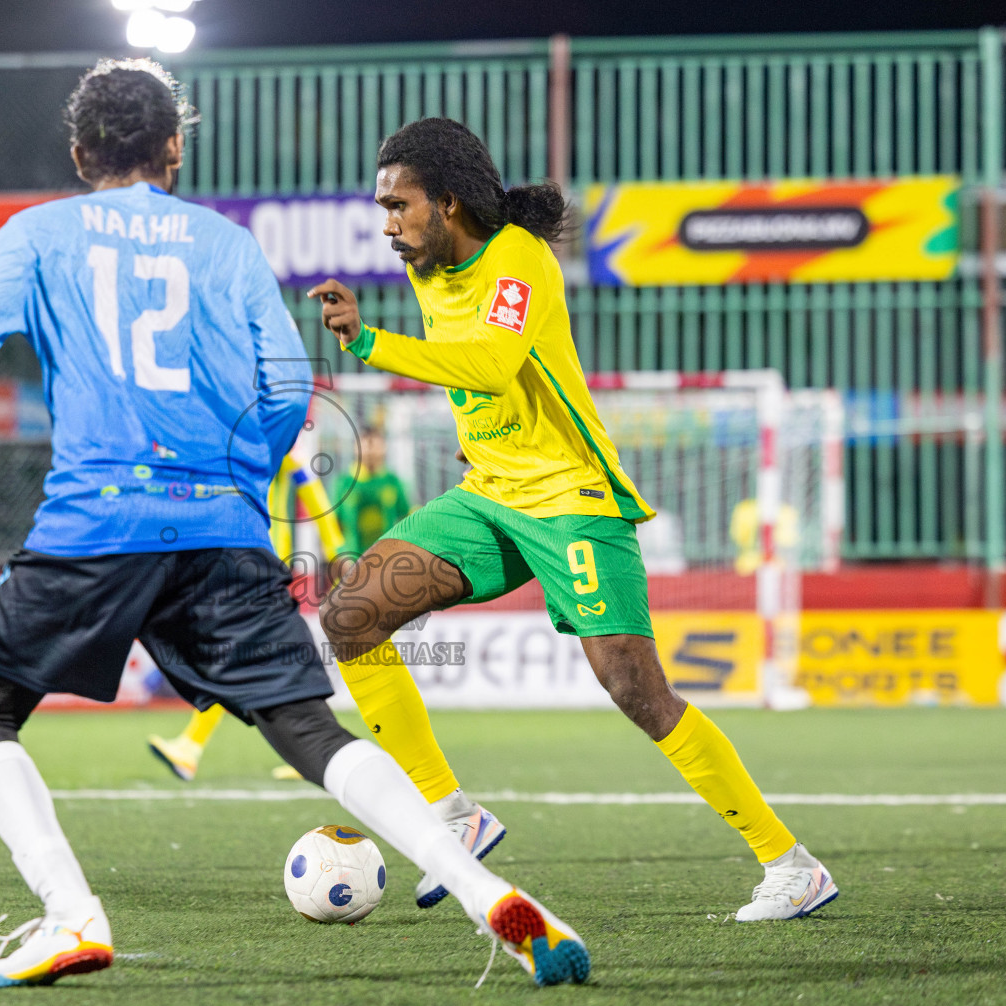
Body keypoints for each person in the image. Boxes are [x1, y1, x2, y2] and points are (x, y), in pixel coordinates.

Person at [0, 61, 589, 989]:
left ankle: (70, 916)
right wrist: (233, 486)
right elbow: (288, 390)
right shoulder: (224, 243)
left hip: (94, 523)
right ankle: (478, 887)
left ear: (77, 151)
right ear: (175, 148)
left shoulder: (35, 236)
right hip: (220, 529)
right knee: (310, 729)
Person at [309, 117, 838, 922]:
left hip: (571, 499)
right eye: (382, 207)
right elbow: (478, 383)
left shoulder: (520, 257)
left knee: (634, 686)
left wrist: (373, 343)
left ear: (448, 203)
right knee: (350, 613)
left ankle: (790, 863)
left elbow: (490, 364)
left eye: (399, 206)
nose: (387, 224)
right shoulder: (428, 267)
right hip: (489, 497)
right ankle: (453, 811)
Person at [145, 449, 345, 782]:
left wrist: (336, 551)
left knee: (233, 655)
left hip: (261, 562)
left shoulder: (274, 442)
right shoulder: (241, 442)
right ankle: (193, 746)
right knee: (240, 658)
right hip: (243, 555)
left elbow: (314, 495)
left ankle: (192, 746)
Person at [333, 420, 411, 559]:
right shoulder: (344, 483)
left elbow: (405, 517)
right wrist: (339, 556)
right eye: (364, 442)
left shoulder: (393, 482)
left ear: (384, 447)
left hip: (388, 561)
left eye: (374, 443)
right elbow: (333, 525)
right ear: (355, 447)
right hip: (351, 562)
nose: (369, 448)